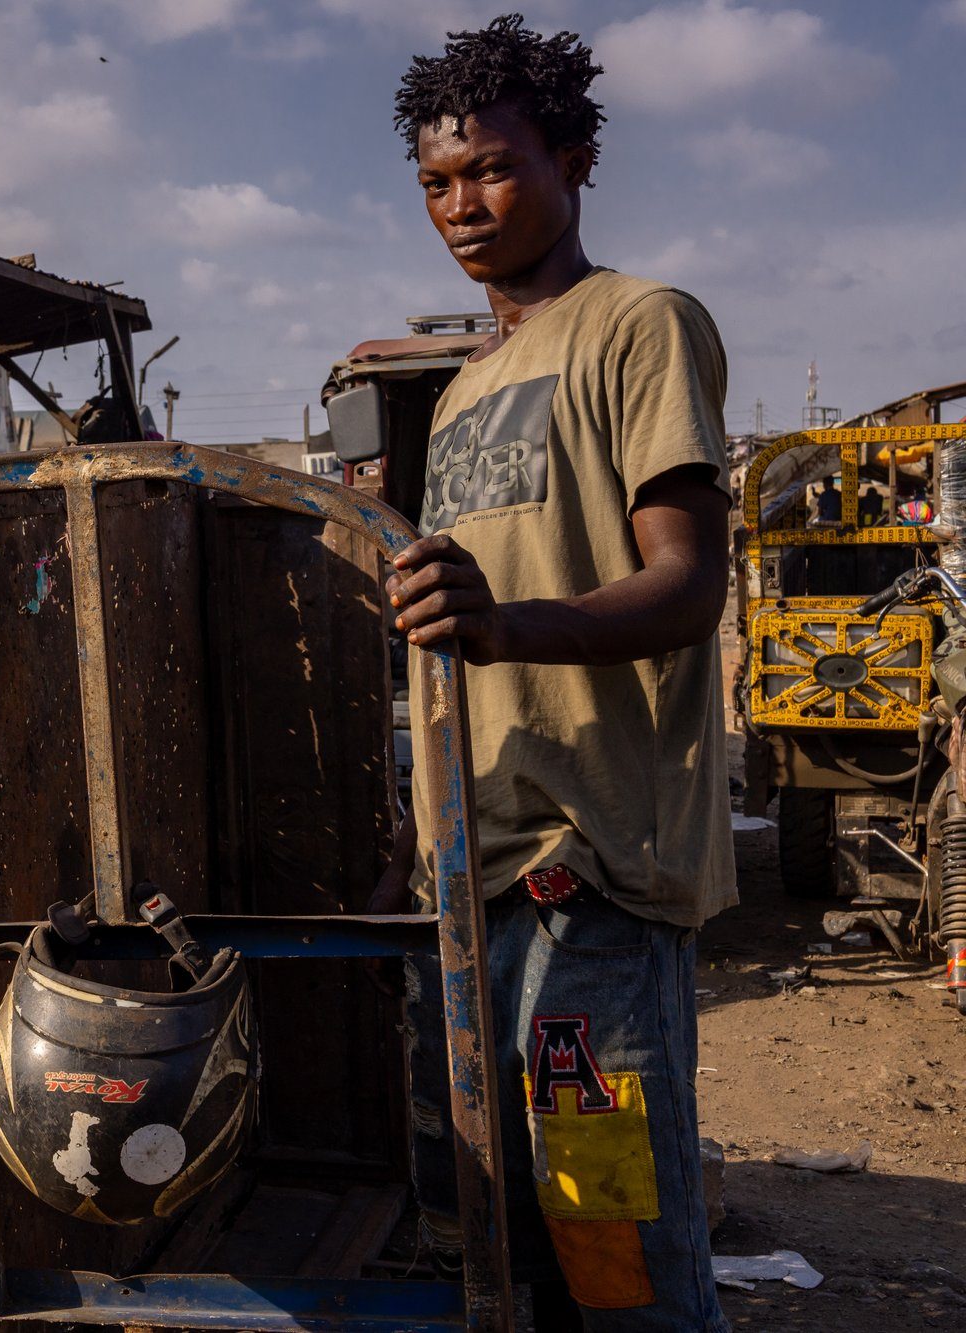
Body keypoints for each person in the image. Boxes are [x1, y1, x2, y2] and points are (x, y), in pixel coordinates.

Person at [370, 16, 734, 1331]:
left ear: (577, 158)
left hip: (593, 864)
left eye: (492, 170)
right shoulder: (465, 392)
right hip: (475, 868)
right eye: (436, 184)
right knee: (501, 1243)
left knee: (615, 1245)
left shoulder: (639, 326)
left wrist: (506, 625)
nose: (460, 207)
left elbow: (691, 582)